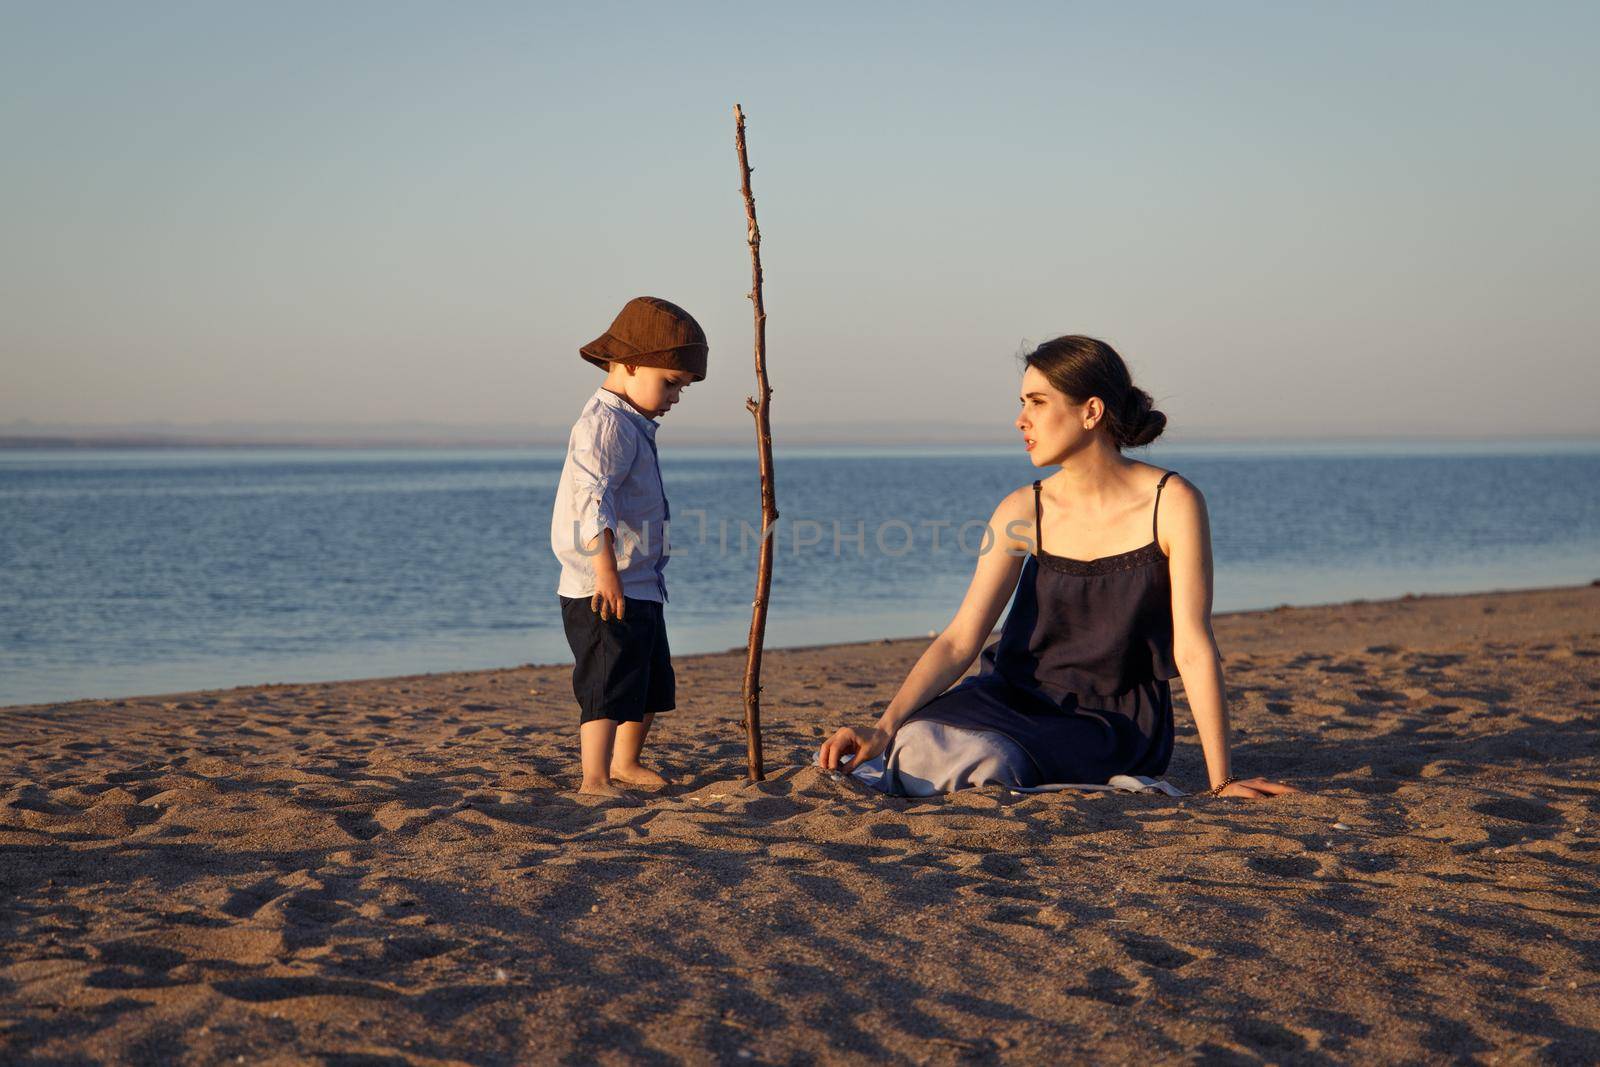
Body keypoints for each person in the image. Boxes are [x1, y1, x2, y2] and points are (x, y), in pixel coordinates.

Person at [817, 335, 1297, 800]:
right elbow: (961, 637)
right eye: (1023, 403)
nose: (1021, 420)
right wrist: (883, 728)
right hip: (1011, 696)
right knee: (918, 739)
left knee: (984, 760)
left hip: (1115, 722)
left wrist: (1221, 781)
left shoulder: (1172, 503)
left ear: (1091, 411)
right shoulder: (1022, 510)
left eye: (1038, 402)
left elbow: (1193, 645)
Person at [550, 296, 707, 796]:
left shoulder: (632, 423)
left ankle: (625, 762)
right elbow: (592, 500)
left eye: (681, 388)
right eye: (670, 383)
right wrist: (606, 571)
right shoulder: (604, 424)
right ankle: (594, 776)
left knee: (648, 681)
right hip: (601, 583)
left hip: (639, 580)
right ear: (630, 364)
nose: (676, 398)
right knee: (605, 680)